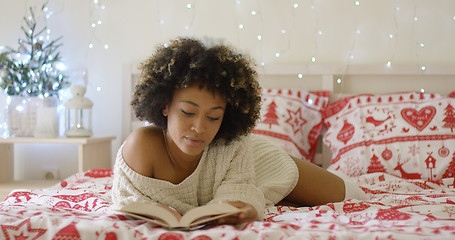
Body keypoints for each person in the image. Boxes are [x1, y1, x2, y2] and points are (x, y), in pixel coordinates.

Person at [111, 37, 366, 226]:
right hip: (232, 176)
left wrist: (245, 207)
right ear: (164, 105)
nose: (200, 127)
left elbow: (238, 192)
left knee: (349, 196)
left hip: (260, 162)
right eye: (188, 112)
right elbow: (126, 199)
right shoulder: (142, 145)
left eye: (214, 117)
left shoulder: (232, 143)